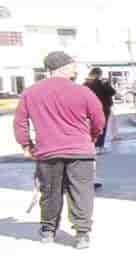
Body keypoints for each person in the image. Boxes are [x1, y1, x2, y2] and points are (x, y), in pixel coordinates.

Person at [13, 50, 106, 249]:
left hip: (48, 152)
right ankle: (82, 234)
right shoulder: (82, 91)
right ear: (63, 67)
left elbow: (20, 122)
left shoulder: (31, 92)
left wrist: (26, 145)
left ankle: (48, 231)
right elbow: (99, 118)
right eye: (73, 65)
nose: (76, 69)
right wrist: (92, 137)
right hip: (80, 150)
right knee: (82, 191)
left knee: (50, 191)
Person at [84, 67, 115, 149]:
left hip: (89, 108)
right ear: (99, 74)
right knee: (102, 127)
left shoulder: (86, 84)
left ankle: (91, 144)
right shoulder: (102, 83)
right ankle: (99, 145)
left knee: (91, 126)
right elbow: (113, 92)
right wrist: (106, 83)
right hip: (103, 108)